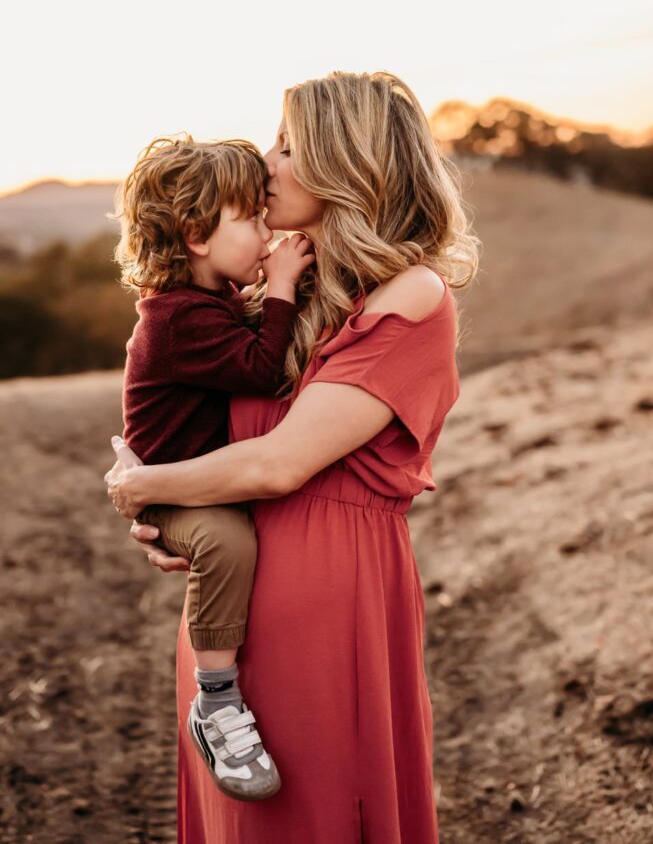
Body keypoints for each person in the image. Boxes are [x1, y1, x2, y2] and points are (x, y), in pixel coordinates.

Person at [106, 70, 480, 843]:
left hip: (329, 592)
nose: (267, 164)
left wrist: (140, 486)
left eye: (286, 145)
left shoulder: (408, 295)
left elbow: (278, 464)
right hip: (234, 607)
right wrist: (170, 512)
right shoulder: (289, 295)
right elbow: (198, 424)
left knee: (315, 812)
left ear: (347, 163)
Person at [113, 134, 315, 800]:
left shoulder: (206, 304)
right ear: (198, 234)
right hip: (178, 498)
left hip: (195, 481)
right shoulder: (178, 321)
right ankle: (217, 701)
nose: (267, 233)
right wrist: (282, 285)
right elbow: (261, 365)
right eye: (251, 220)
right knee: (227, 539)